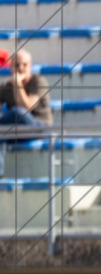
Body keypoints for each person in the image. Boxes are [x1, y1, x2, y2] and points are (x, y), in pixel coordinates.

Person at [0, 50, 52, 178]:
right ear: (11, 67)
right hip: (18, 130)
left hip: (39, 127)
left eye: (24, 64)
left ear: (30, 66)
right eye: (17, 65)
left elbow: (27, 107)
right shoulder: (6, 86)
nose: (21, 68)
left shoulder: (38, 81)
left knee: (18, 112)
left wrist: (18, 84)